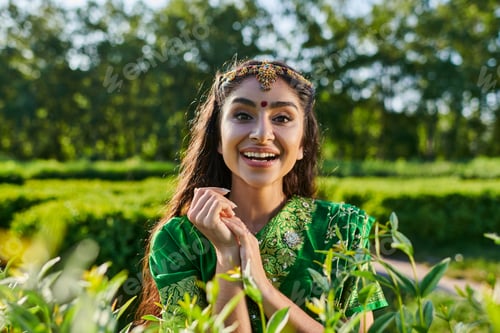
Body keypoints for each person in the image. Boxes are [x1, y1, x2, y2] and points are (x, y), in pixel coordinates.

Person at [136, 59, 388, 332]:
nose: (262, 134)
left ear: (303, 143)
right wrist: (227, 256)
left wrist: (262, 287)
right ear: (218, 139)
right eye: (243, 115)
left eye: (282, 118)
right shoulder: (178, 240)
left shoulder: (343, 229)